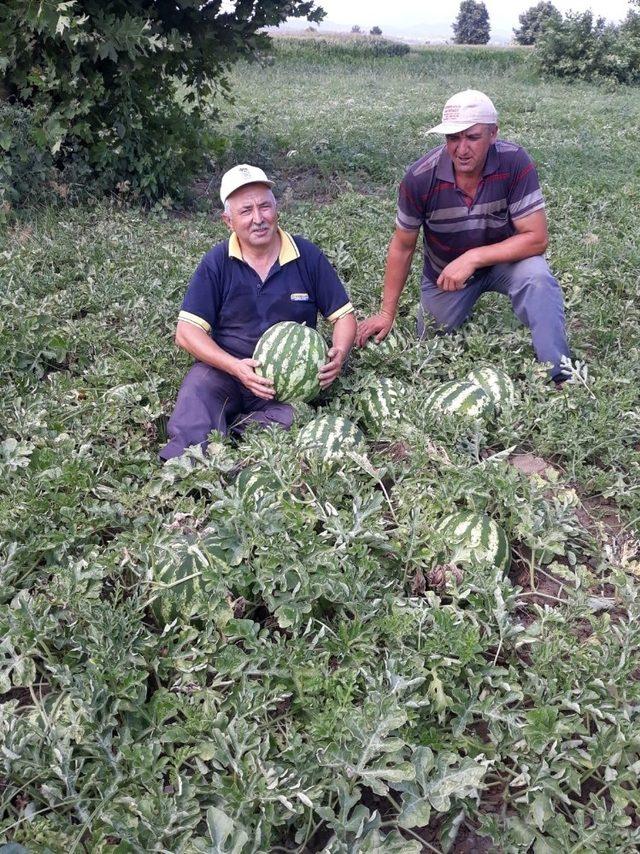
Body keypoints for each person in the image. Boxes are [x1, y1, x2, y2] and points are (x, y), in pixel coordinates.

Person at [356, 89, 572, 383]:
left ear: (493, 134)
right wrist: (386, 313)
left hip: (503, 262)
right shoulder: (419, 178)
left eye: (472, 137)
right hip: (447, 274)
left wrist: (473, 257)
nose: (461, 149)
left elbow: (536, 239)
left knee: (538, 277)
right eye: (453, 138)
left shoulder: (514, 162)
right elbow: (403, 247)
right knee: (427, 337)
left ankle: (560, 375)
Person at [160, 164, 356, 461]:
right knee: (197, 390)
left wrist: (339, 352)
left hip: (285, 389)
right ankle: (186, 462)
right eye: (246, 210)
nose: (258, 218)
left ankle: (237, 431)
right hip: (227, 371)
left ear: (277, 208)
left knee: (295, 417)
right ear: (228, 220)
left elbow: (343, 316)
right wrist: (235, 366)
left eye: (265, 206)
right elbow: (186, 333)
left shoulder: (307, 256)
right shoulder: (216, 262)